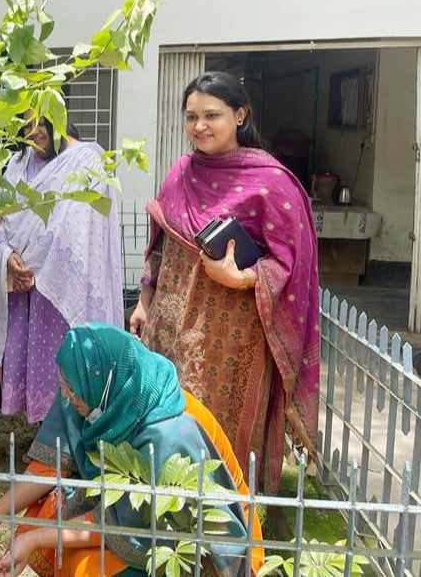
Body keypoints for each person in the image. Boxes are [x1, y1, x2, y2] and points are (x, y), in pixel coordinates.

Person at [129, 71, 319, 492]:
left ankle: (232, 527)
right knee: (169, 418)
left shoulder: (271, 182)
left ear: (240, 115)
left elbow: (293, 264)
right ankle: (165, 517)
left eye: (211, 115)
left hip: (234, 341)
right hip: (169, 329)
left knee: (221, 431)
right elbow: (158, 247)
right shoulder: (180, 172)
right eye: (191, 116)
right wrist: (143, 300)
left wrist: (243, 277)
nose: (199, 126)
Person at [0, 323, 264, 577]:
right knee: (49, 509)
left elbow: (136, 523)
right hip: (120, 515)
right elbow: (48, 469)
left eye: (71, 390)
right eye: (64, 387)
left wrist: (34, 538)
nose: (67, 398)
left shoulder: (168, 431)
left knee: (87, 566)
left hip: (183, 537)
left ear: (104, 382)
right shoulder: (89, 386)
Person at [0, 119, 124, 424]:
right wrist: (9, 258)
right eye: (24, 126)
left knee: (65, 363)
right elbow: (3, 222)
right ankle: (42, 436)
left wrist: (36, 264)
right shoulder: (18, 165)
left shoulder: (87, 160)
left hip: (63, 287)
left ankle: (69, 435)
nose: (34, 132)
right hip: (24, 287)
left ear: (57, 118)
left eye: (40, 123)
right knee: (35, 363)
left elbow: (79, 230)